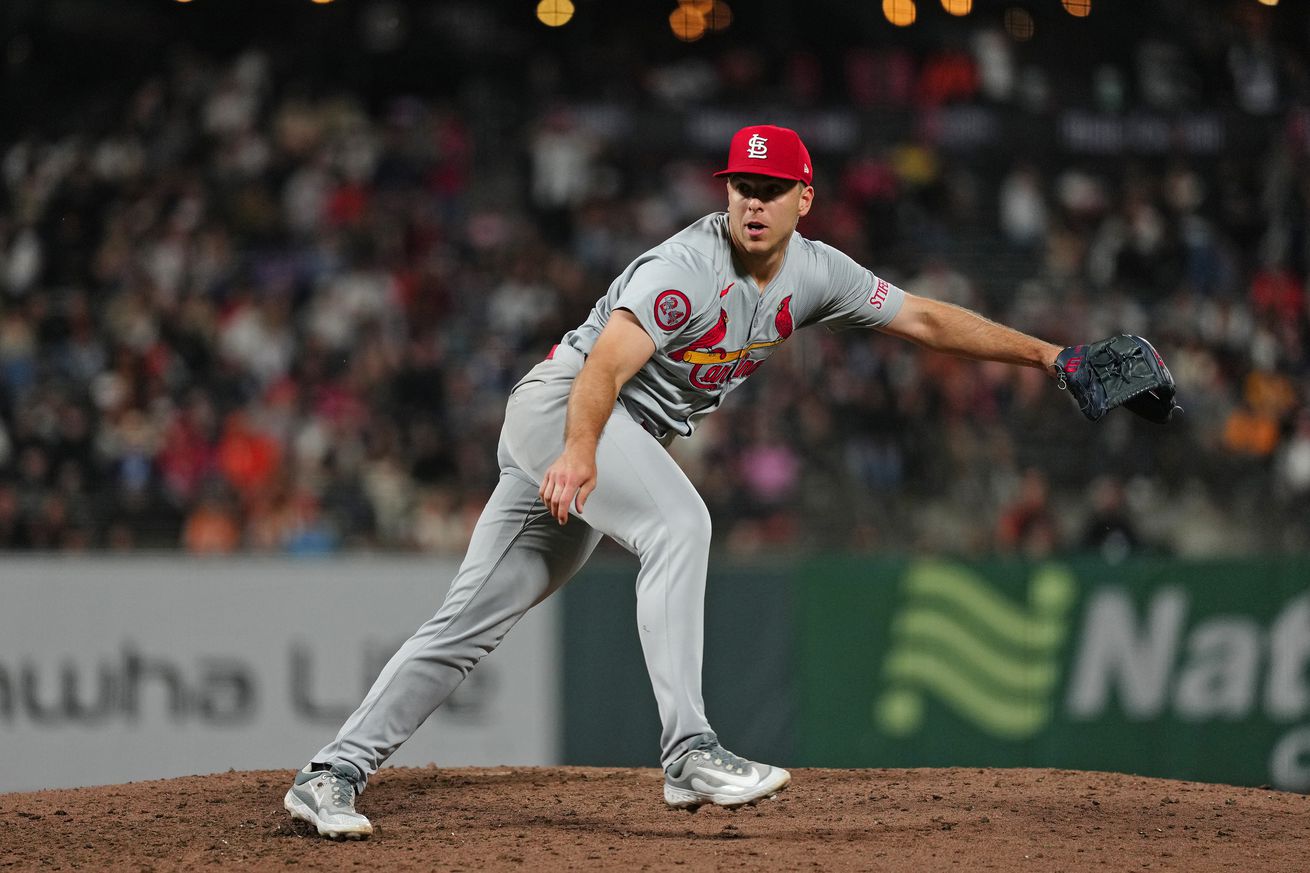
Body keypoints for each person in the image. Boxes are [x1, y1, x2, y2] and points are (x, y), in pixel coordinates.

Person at [284, 124, 1067, 839]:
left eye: (769, 191)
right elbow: (604, 363)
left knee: (472, 618)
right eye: (741, 188)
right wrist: (580, 452)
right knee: (680, 524)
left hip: (603, 434)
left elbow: (925, 320)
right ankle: (689, 750)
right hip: (567, 409)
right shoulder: (686, 268)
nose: (752, 204)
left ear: (804, 199)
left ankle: (331, 773)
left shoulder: (818, 272)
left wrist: (1046, 356)